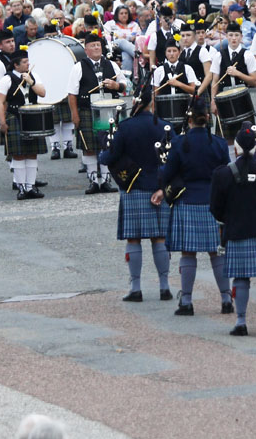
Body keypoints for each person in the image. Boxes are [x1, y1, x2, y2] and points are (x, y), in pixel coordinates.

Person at [209, 125, 256, 335]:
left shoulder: (223, 174)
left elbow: (215, 208)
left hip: (236, 232)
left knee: (241, 279)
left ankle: (241, 322)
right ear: (255, 147)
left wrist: (228, 220)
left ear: (235, 149)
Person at [157, 97, 232, 317]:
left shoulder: (180, 143)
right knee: (216, 254)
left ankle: (187, 302)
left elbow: (168, 174)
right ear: (207, 118)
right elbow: (225, 173)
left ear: (189, 119)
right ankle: (226, 299)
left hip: (187, 201)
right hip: (213, 204)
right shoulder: (218, 143)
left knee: (188, 254)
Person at [100, 84, 172, 302]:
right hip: (159, 188)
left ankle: (136, 288)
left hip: (133, 188)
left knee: (133, 239)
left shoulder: (125, 127)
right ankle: (164, 286)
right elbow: (173, 160)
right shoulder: (165, 126)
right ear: (152, 103)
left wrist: (103, 148)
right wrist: (164, 188)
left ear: (136, 102)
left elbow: (109, 158)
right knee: (159, 238)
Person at [67, 30, 126, 194]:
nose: (96, 48)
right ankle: (93, 181)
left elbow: (124, 84)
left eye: (98, 45)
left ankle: (106, 180)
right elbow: (72, 93)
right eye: (92, 46)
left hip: (109, 111)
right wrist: (75, 114)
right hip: (87, 110)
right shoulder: (78, 67)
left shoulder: (112, 65)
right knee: (89, 147)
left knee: (106, 145)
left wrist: (116, 86)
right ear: (86, 50)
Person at [0, 47, 48, 200]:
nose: (27, 64)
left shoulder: (34, 76)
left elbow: (42, 93)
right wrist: (2, 122)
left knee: (32, 153)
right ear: (16, 65)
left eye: (28, 61)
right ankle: (21, 188)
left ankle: (30, 186)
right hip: (14, 117)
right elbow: (0, 102)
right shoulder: (7, 79)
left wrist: (31, 82)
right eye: (24, 62)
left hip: (33, 117)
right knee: (18, 155)